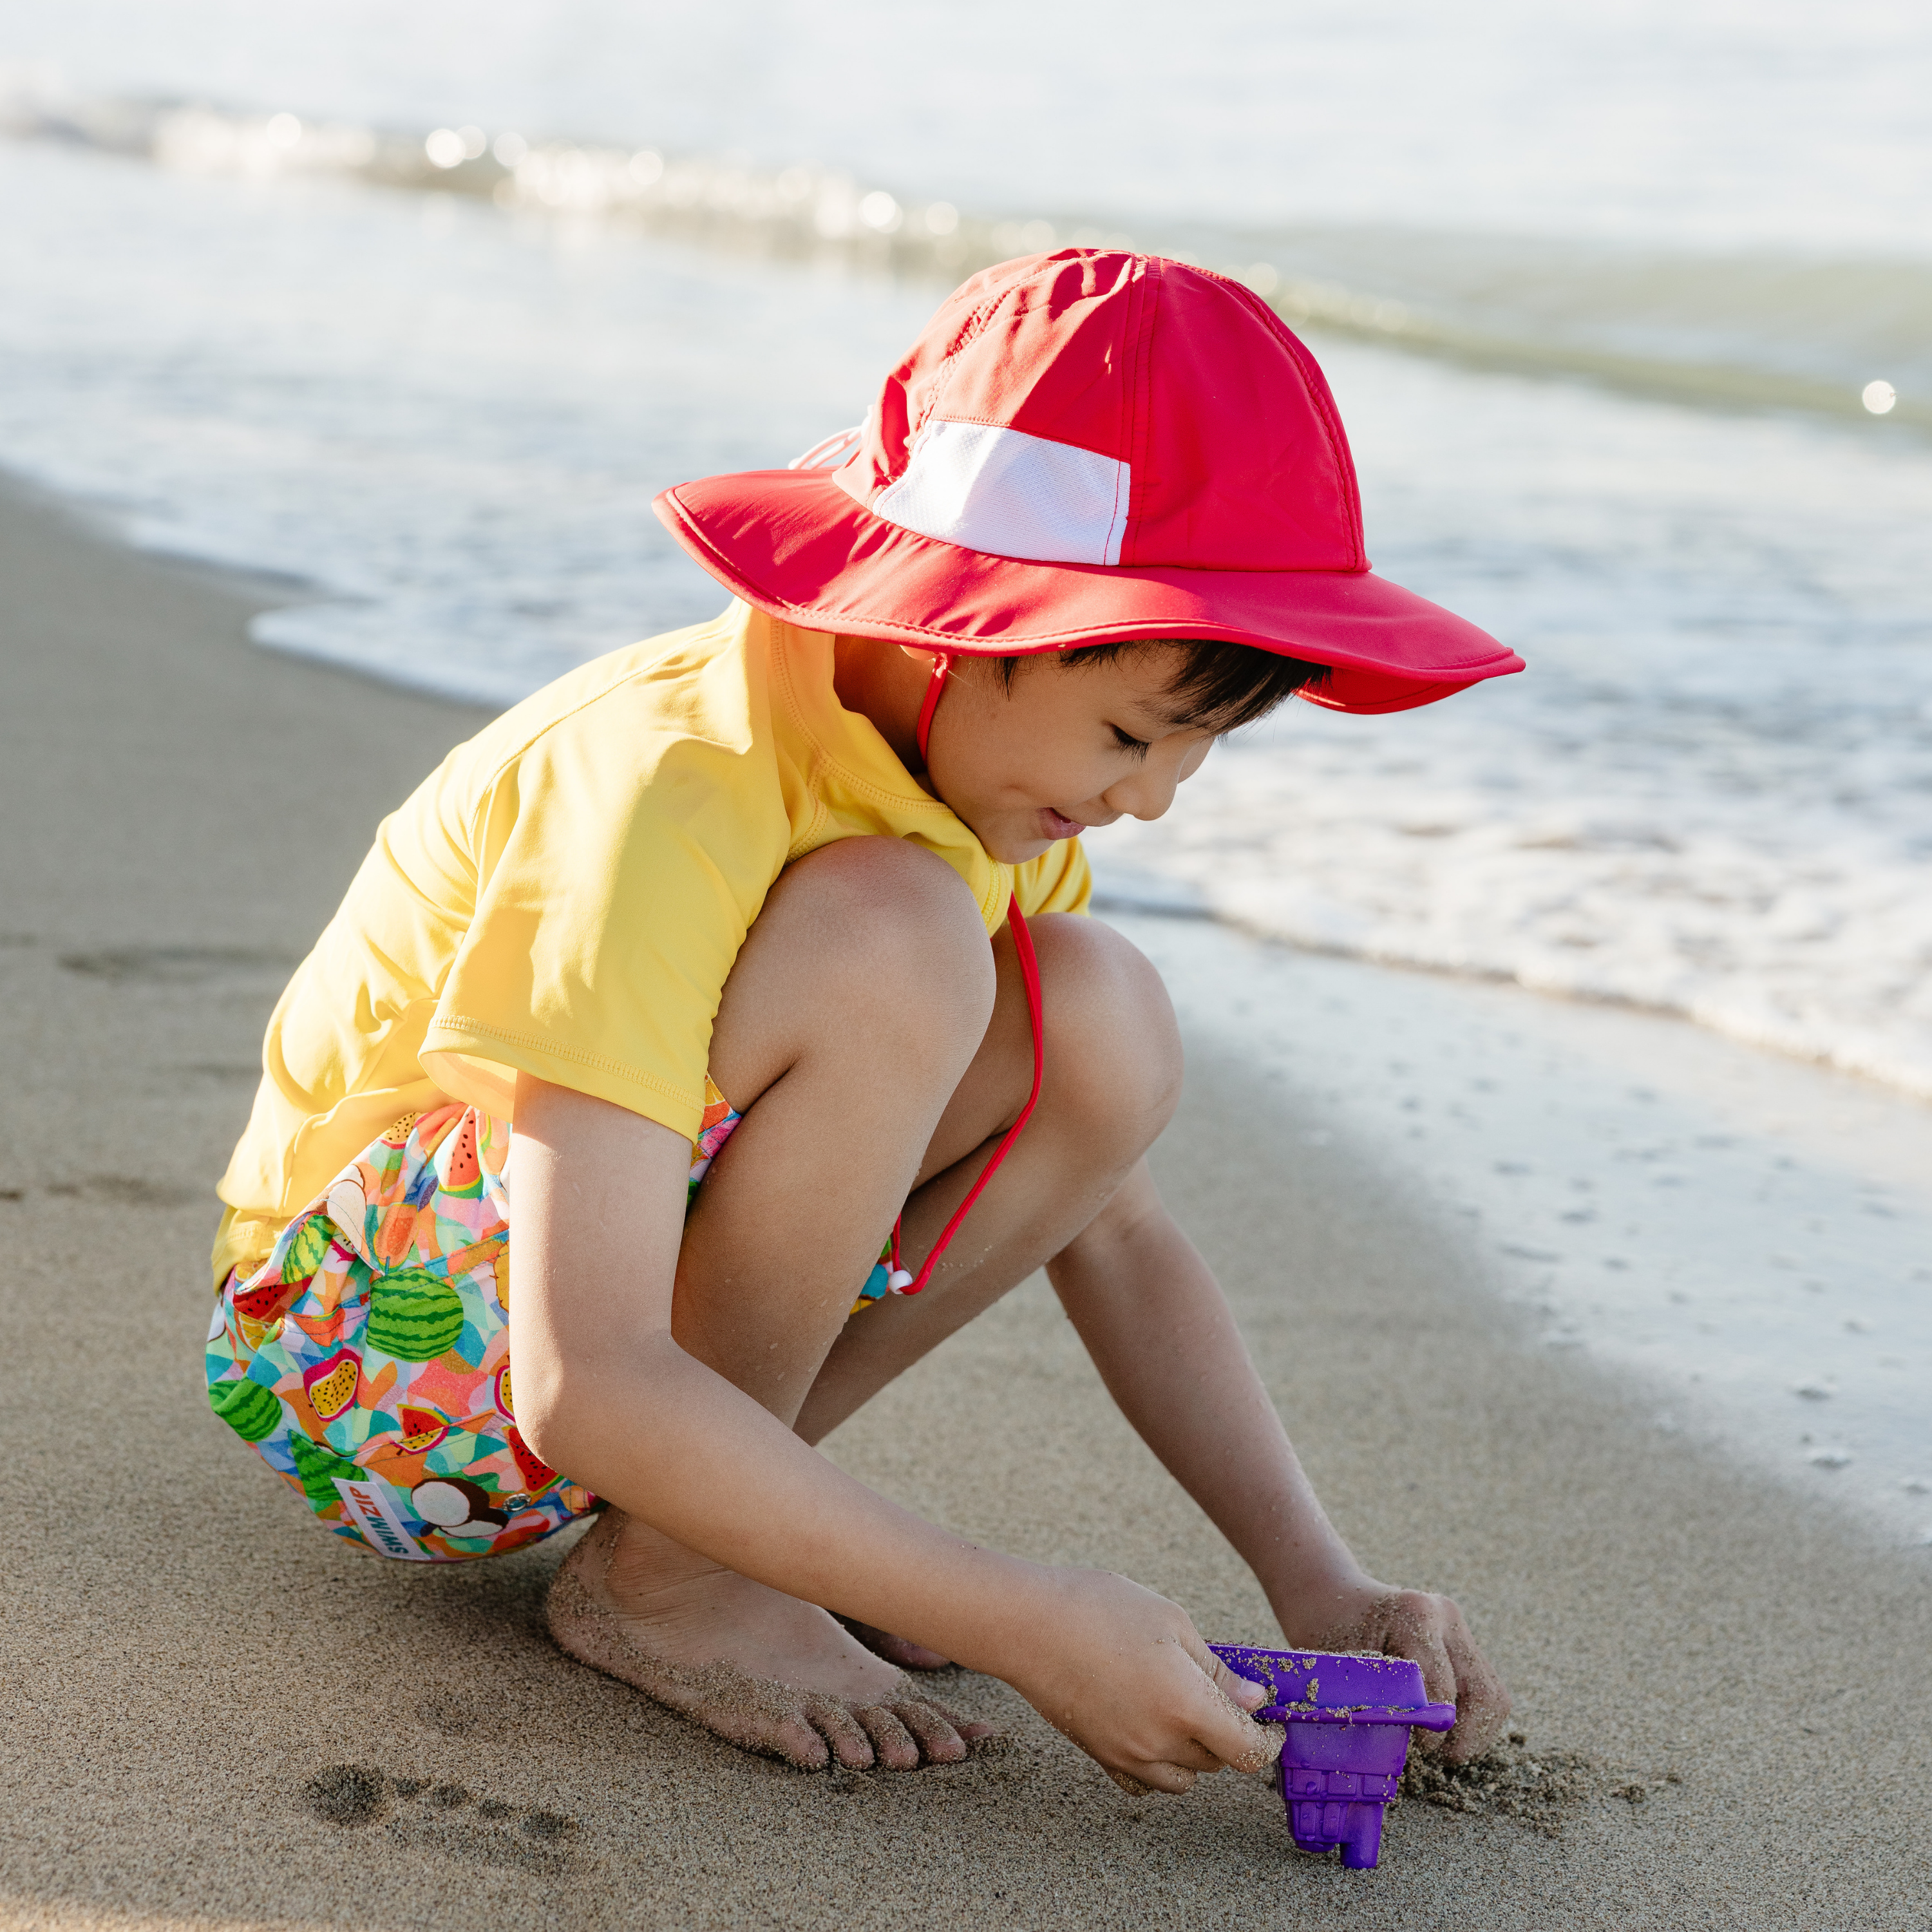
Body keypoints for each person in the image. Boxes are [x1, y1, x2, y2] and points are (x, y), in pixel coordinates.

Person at [207, 250, 1524, 1794]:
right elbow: (587, 1377)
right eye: (1128, 733)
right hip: (363, 1357)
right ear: (960, 623)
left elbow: (1114, 1225)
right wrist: (1022, 1617)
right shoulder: (667, 783)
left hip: (560, 1361)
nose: (1149, 799)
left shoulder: (985, 791)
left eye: (1197, 749)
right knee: (896, 935)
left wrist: (1321, 1585)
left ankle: (700, 1536)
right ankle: (682, 1576)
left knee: (1101, 1015)